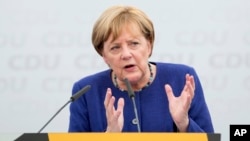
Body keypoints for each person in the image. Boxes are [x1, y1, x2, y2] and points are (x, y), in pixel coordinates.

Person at [68, 5, 214, 133]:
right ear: (104, 56)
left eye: (134, 44)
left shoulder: (182, 79)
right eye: (115, 47)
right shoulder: (85, 92)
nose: (126, 54)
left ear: (149, 46)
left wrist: (184, 124)